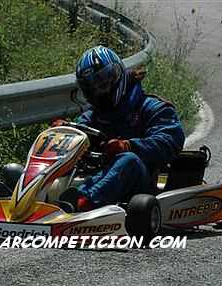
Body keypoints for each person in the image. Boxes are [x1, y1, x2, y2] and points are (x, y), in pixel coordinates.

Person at [56, 46, 186, 211]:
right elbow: (77, 134)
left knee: (128, 159)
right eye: (93, 88)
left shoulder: (152, 108)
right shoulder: (92, 117)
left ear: (117, 77)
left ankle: (79, 204)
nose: (99, 91)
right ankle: (23, 202)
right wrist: (63, 132)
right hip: (96, 176)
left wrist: (129, 145)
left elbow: (169, 142)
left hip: (141, 185)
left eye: (102, 84)